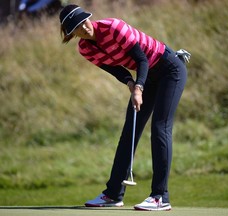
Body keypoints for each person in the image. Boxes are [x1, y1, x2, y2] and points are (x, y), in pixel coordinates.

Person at [59, 4, 190, 211]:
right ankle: (113, 194)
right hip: (147, 76)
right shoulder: (85, 49)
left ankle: (160, 196)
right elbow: (116, 70)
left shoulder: (114, 27)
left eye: (84, 21)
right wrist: (130, 83)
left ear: (88, 17)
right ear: (72, 33)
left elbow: (142, 59)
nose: (84, 27)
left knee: (160, 128)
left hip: (169, 68)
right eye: (77, 27)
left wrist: (139, 88)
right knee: (130, 132)